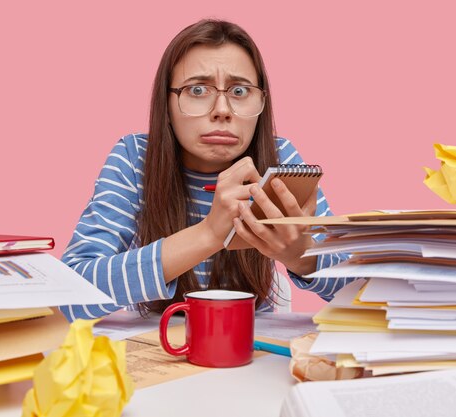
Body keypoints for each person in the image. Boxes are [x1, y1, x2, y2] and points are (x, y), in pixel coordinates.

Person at [61, 19, 354, 321]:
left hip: (252, 351)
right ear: (167, 102)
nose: (223, 110)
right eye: (198, 89)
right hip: (155, 350)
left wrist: (301, 259)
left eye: (240, 91)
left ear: (262, 102)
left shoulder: (279, 160)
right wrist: (208, 234)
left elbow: (360, 288)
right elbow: (69, 292)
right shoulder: (135, 157)